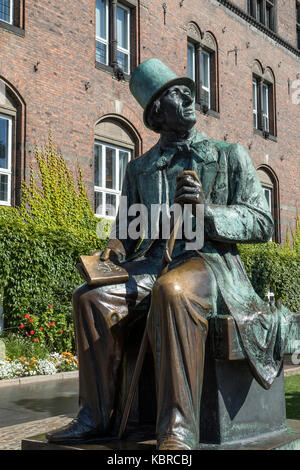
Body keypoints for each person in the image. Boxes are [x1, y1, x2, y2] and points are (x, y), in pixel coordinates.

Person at [46, 59, 291, 450]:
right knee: (89, 299)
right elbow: (127, 229)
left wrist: (207, 213)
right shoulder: (141, 168)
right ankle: (94, 416)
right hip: (150, 263)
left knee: (173, 290)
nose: (189, 97)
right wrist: (116, 246)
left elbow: (262, 222)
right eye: (177, 94)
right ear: (158, 112)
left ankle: (177, 429)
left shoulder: (229, 155)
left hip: (209, 263)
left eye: (187, 91)